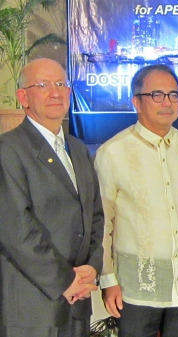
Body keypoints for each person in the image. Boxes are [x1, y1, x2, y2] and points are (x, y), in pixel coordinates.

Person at [94, 64, 178, 337]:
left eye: (173, 95)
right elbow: (102, 223)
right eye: (156, 95)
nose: (167, 102)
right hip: (135, 288)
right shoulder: (113, 153)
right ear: (136, 102)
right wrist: (108, 279)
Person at [0, 58, 103, 336]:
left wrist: (92, 267)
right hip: (34, 306)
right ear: (23, 97)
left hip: (77, 302)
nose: (55, 92)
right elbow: (16, 230)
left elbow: (94, 216)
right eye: (43, 85)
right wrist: (66, 281)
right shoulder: (8, 151)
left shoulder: (79, 150)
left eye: (60, 84)